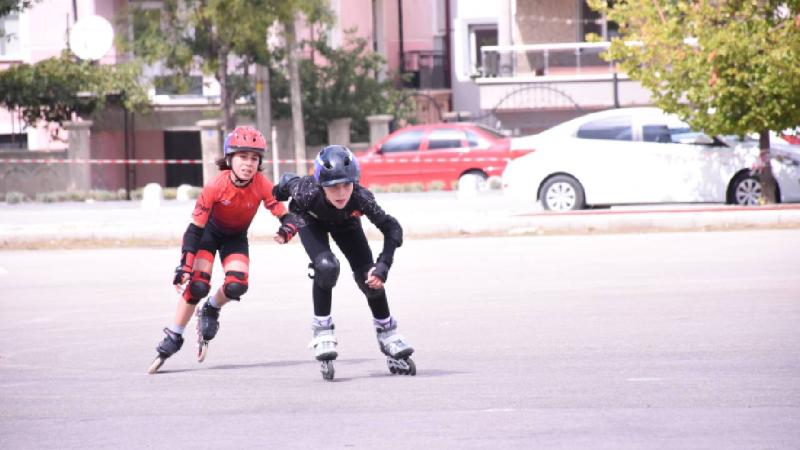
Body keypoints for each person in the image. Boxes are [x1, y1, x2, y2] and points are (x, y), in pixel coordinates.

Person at [148, 126, 298, 374]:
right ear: (229, 159)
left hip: (235, 238)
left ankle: (212, 308)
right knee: (197, 285)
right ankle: (174, 336)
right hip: (208, 235)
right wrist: (185, 265)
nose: (249, 164)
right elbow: (194, 230)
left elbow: (285, 215)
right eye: (242, 156)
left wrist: (289, 227)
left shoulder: (261, 184)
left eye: (254, 158)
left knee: (237, 286)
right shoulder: (214, 186)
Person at [273, 145, 415, 381]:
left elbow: (392, 228)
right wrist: (280, 195)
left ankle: (387, 333)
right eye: (333, 186)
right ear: (321, 185)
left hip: (346, 223)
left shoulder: (360, 197)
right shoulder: (306, 190)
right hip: (311, 219)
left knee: (370, 279)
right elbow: (287, 187)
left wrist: (383, 265)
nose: (341, 193)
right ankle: (322, 329)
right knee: (327, 267)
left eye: (346, 185)